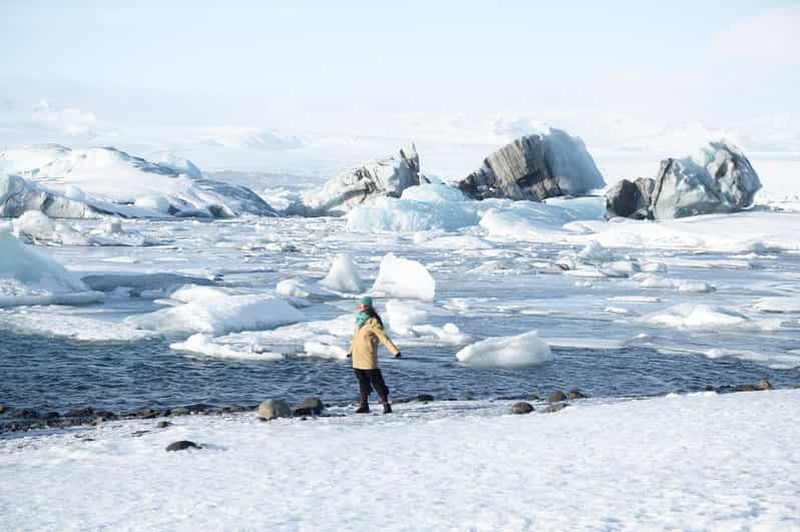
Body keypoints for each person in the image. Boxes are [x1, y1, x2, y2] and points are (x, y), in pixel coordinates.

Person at [346, 296, 401, 414]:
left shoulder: (373, 321)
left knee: (377, 381)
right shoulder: (359, 321)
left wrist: (394, 351)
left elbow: (383, 337)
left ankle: (386, 405)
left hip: (368, 357)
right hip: (357, 357)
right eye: (360, 305)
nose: (361, 307)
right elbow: (355, 339)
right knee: (362, 381)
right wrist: (349, 352)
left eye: (363, 305)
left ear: (368, 306)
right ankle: (364, 405)